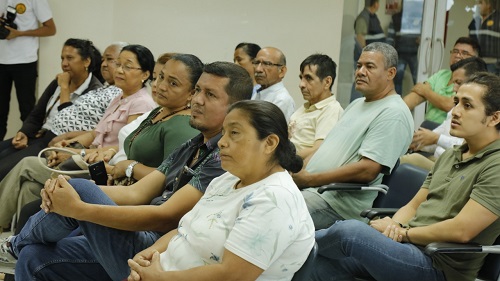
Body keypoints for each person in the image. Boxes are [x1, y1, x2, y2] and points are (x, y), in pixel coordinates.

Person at [0, 61, 253, 281]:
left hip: (157, 252)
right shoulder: (193, 143)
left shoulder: (223, 156)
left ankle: (14, 244)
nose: (196, 100)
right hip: (137, 233)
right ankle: (20, 247)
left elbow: (164, 217)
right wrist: (64, 192)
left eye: (210, 95)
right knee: (33, 256)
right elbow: (137, 194)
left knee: (78, 188)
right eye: (198, 90)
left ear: (236, 108)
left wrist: (79, 206)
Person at [311, 72, 500, 281]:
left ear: (494, 118)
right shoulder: (451, 154)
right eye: (456, 102)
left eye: (467, 105)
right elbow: (414, 205)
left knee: (350, 232)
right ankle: (292, 243)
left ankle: (293, 239)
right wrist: (394, 227)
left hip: (438, 265)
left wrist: (402, 234)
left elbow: (462, 231)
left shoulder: (496, 165)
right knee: (318, 264)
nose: (455, 112)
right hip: (408, 247)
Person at [0, 54, 201, 231]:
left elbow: (169, 180)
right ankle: (15, 255)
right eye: (161, 77)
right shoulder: (158, 111)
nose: (161, 85)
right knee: (31, 190)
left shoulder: (181, 125)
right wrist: (87, 149)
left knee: (30, 172)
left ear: (192, 93)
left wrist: (128, 167)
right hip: (111, 173)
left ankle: (16, 245)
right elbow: (107, 137)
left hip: (130, 194)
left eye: (173, 83)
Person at [127, 100, 315, 280]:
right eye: (223, 133)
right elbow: (185, 230)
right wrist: (151, 254)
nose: (221, 142)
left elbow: (232, 276)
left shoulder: (275, 198)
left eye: (234, 133)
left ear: (270, 143)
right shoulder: (227, 179)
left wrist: (160, 278)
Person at [292, 42, 414, 230]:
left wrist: (308, 179)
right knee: (254, 199)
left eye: (370, 67)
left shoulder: (393, 113)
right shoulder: (357, 104)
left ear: (390, 73)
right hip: (312, 189)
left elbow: (367, 170)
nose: (360, 72)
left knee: (273, 213)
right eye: (359, 66)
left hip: (334, 203)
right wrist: (298, 174)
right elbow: (325, 149)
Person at [0, 38, 104, 181]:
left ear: (86, 62)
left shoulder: (95, 91)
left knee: (3, 169)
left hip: (54, 142)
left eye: (70, 58)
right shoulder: (59, 81)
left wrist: (65, 88)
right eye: (62, 58)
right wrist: (24, 132)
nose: (64, 64)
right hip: (37, 135)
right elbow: (37, 113)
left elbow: (67, 123)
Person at [401, 56, 488, 171]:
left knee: (407, 161)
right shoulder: (455, 108)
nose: (454, 88)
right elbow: (436, 140)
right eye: (454, 82)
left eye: (458, 82)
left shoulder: (482, 114)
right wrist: (418, 142)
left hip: (454, 169)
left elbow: (467, 147)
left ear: (475, 82)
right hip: (438, 160)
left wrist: (436, 139)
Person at [0, 0, 56, 140]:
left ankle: (26, 147)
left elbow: (50, 29)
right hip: (1, 61)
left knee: (27, 111)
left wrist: (19, 33)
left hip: (25, 61)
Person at [403, 37, 480, 123]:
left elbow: (450, 105)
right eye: (455, 51)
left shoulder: (473, 80)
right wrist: (398, 109)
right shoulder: (442, 74)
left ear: (475, 59)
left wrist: (426, 92)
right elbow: (417, 94)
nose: (458, 55)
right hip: (427, 127)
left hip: (449, 132)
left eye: (464, 53)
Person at [289, 54, 343, 159]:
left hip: (296, 168)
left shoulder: (331, 110)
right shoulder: (307, 106)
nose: (301, 85)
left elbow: (319, 150)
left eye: (308, 78)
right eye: (301, 78)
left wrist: (281, 160)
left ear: (327, 82)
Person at [351, 0, 386, 101]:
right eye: (378, 2)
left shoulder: (372, 16)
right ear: (375, 4)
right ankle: (354, 104)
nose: (378, 5)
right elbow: (359, 37)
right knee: (360, 81)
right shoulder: (363, 17)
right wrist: (366, 55)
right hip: (365, 58)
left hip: (373, 58)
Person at [387, 0, 421, 95]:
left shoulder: (418, 17)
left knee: (418, 79)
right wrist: (387, 55)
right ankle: (397, 102)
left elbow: (425, 36)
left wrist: (420, 39)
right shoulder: (395, 17)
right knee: (397, 79)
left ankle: (420, 106)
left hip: (414, 53)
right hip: (400, 53)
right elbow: (390, 37)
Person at [252, 47, 295, 122]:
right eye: (256, 63)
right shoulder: (256, 92)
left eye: (267, 64)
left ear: (282, 71)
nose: (258, 69)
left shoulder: (282, 100)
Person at [469, 0, 500, 75]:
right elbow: (469, 40)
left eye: (481, 3)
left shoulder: (498, 19)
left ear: (488, 5)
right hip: (476, 63)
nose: (478, 5)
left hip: (493, 64)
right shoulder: (475, 20)